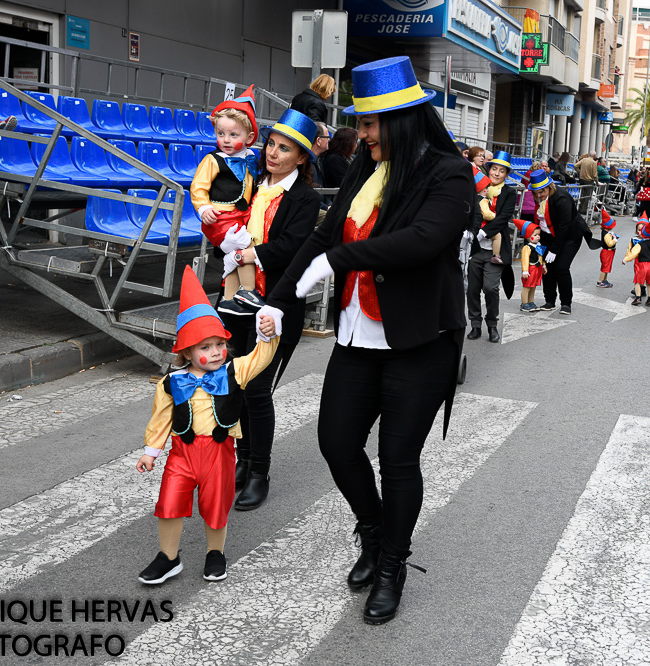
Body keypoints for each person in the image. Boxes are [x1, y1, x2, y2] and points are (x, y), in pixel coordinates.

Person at [269, 56, 470, 625]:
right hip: (358, 335)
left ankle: (392, 565)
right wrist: (277, 301)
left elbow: (423, 241)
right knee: (336, 443)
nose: (358, 134)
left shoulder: (448, 173)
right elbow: (324, 235)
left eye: (368, 125)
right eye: (358, 124)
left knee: (398, 460)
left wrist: (338, 259)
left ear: (402, 119)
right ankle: (374, 531)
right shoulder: (364, 165)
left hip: (418, 341)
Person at [136, 267, 280, 585]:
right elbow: (161, 418)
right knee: (170, 503)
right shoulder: (171, 382)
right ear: (186, 351)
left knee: (216, 505)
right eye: (205, 347)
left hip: (219, 452)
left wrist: (268, 333)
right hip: (181, 454)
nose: (215, 352)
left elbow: (261, 357)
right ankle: (168, 557)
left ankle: (215, 553)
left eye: (219, 344)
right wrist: (151, 451)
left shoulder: (234, 371)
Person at [219, 107, 321, 511]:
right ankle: (242, 462)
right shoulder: (251, 186)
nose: (274, 154)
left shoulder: (305, 197)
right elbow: (224, 230)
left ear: (301, 158)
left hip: (277, 305)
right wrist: (226, 244)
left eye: (285, 149)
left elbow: (294, 248)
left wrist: (250, 253)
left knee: (258, 390)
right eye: (271, 146)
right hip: (236, 302)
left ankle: (259, 471)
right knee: (235, 386)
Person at [190, 89, 263, 315]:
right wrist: (203, 208)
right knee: (246, 247)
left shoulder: (251, 157)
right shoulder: (213, 159)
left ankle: (229, 300)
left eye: (233, 135)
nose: (226, 140)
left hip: (241, 215)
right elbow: (198, 186)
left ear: (250, 138)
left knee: (234, 257)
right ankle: (249, 291)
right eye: (221, 134)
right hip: (220, 218)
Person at [527, 168, 599, 315]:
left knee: (561, 267)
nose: (539, 195)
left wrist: (554, 249)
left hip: (570, 236)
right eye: (536, 193)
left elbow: (564, 226)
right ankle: (550, 301)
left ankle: (566, 303)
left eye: (542, 192)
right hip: (548, 235)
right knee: (547, 267)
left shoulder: (561, 198)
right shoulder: (538, 199)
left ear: (549, 187)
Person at [467, 150, 516, 343]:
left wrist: (484, 232)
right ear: (488, 169)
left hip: (496, 251)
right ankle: (475, 325)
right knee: (472, 290)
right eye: (494, 169)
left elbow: (504, 218)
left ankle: (492, 325)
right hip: (475, 249)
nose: (496, 173)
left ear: (506, 174)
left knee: (490, 288)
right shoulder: (478, 189)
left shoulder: (509, 193)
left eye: (501, 171)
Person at [623, 217, 650, 306]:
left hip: (642, 265)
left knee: (637, 282)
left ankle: (638, 297)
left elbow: (633, 254)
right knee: (649, 283)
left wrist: (625, 259)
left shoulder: (639, 244)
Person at [517, 220, 546, 312]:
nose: (538, 237)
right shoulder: (527, 247)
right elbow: (525, 260)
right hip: (530, 269)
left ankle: (531, 302)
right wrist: (525, 271)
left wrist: (544, 266)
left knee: (533, 287)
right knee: (527, 286)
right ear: (528, 236)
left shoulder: (538, 246)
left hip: (537, 269)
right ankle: (524, 303)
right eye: (535, 235)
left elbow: (541, 257)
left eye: (538, 235)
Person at [597, 209, 617, 288]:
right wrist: (614, 240)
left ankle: (604, 280)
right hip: (607, 252)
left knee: (607, 267)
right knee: (605, 267)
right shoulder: (606, 235)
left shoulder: (606, 233)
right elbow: (609, 243)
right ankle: (600, 281)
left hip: (608, 252)